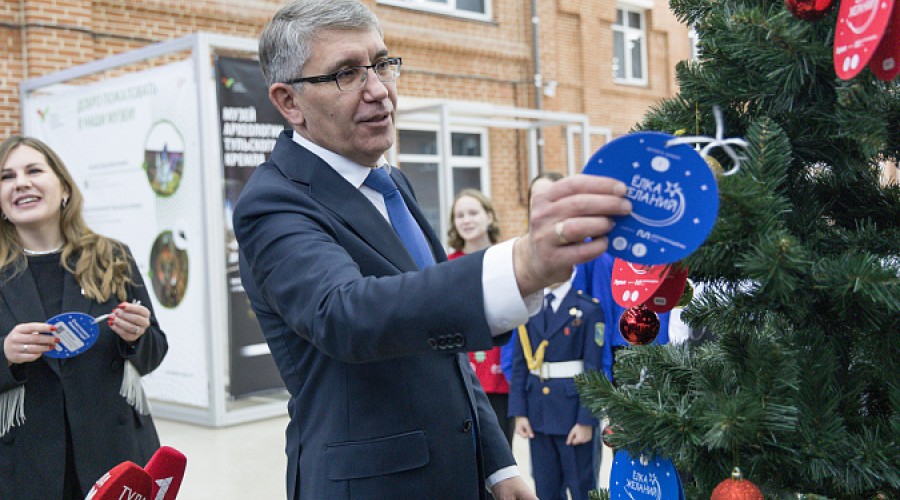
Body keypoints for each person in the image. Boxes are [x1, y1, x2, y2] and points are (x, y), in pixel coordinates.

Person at [232, 1, 631, 498]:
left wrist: (497, 464)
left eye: (381, 64)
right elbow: (346, 313)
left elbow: (445, 346)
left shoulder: (391, 184)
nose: (379, 90)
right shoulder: (274, 203)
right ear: (289, 102)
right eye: (346, 74)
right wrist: (522, 264)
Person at [0, 135, 168, 499]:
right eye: (6, 176)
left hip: (115, 456)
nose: (21, 182)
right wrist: (6, 355)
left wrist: (137, 336)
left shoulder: (111, 256)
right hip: (25, 467)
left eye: (33, 170)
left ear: (63, 187)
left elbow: (154, 354)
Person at [508, 174, 608, 500]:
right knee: (546, 489)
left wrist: (587, 420)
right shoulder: (529, 304)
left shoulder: (587, 309)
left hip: (572, 413)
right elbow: (522, 363)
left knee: (582, 488)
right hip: (538, 413)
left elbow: (593, 370)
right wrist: (519, 412)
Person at [448, 189, 516, 445]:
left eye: (473, 213)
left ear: (489, 216)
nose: (466, 220)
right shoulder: (447, 264)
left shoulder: (507, 259)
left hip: (500, 374)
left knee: (500, 448)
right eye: (460, 215)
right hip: (463, 373)